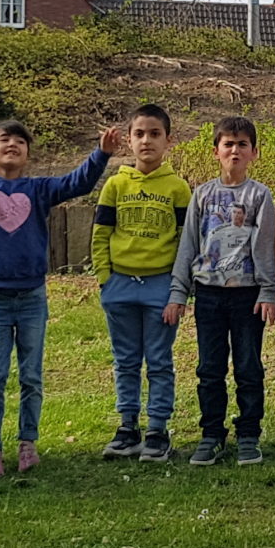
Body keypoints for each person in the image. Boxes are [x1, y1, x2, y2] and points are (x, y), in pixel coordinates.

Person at [0, 115, 120, 477]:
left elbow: (77, 182)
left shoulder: (39, 189)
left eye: (20, 141)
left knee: (31, 375)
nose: (12, 144)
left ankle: (27, 443)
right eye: (4, 140)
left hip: (32, 297)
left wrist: (101, 154)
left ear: (28, 153)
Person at [166, 116, 275, 466]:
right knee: (209, 368)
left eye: (242, 144)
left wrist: (269, 291)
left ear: (254, 152)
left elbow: (267, 247)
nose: (235, 150)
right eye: (228, 144)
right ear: (216, 151)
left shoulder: (259, 196)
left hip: (247, 296)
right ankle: (212, 434)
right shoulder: (202, 194)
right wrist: (178, 292)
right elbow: (189, 245)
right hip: (208, 294)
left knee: (248, 366)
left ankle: (249, 434)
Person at [92, 104, 191, 462]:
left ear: (169, 141)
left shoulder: (178, 188)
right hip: (120, 286)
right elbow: (101, 234)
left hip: (160, 287)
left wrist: (178, 289)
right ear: (128, 141)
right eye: (139, 134)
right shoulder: (115, 185)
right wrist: (106, 280)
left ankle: (157, 430)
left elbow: (186, 242)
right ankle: (127, 427)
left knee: (159, 361)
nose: (146, 140)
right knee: (126, 360)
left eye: (154, 134)